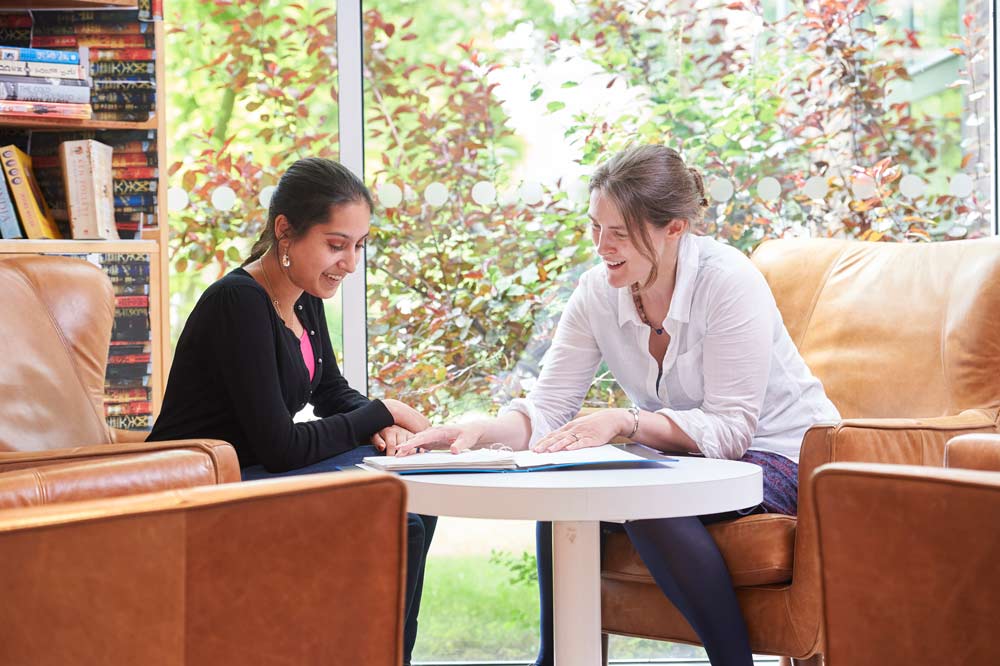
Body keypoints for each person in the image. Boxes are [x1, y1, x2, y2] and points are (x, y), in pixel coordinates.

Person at [398, 145, 840, 665]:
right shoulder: (596, 293)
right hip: (690, 463)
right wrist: (479, 430)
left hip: (786, 456)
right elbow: (550, 407)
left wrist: (625, 422)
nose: (602, 246)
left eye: (620, 233)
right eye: (594, 227)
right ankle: (558, 657)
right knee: (564, 488)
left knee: (646, 499)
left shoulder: (728, 281)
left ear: (674, 228)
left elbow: (731, 429)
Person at [148, 157, 436, 666]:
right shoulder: (238, 303)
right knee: (400, 521)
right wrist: (381, 411)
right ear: (285, 232)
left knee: (415, 497)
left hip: (253, 473)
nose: (349, 263)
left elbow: (330, 391)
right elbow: (280, 447)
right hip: (204, 490)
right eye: (335, 244)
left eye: (358, 246)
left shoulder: (304, 299)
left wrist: (384, 424)